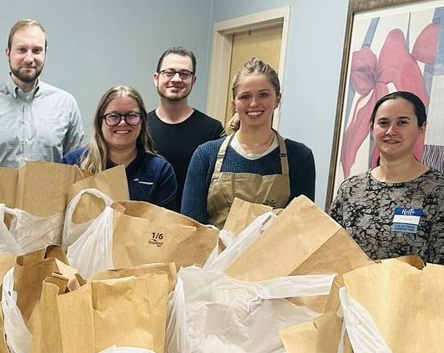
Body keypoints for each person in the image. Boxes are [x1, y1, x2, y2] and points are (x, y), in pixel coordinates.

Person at [329, 91, 444, 271]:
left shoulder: (440, 190)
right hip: (350, 295)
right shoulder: (351, 188)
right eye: (383, 123)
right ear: (372, 128)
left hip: (408, 296)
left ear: (421, 129)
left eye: (402, 122)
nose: (391, 131)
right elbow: (330, 252)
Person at [181, 57, 316, 228]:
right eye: (245, 96)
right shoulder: (206, 155)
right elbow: (192, 227)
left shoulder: (299, 157)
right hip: (214, 254)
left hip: (275, 254)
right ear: (234, 103)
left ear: (277, 100)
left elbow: (301, 227)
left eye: (263, 95)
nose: (254, 103)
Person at [0, 19, 84, 168]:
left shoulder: (66, 104)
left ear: (45, 53)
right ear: (8, 53)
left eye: (36, 50)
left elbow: (77, 167)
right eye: (21, 50)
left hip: (49, 192)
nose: (29, 59)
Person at [62, 86, 179, 210]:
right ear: (100, 122)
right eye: (113, 116)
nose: (123, 122)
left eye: (131, 115)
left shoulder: (160, 171)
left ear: (142, 123)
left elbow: (165, 227)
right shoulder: (73, 164)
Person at [144, 47, 223, 196]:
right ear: (156, 78)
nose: (176, 79)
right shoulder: (140, 127)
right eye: (169, 72)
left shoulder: (212, 130)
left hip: (194, 217)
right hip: (146, 217)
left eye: (184, 74)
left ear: (193, 81)